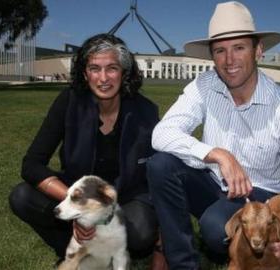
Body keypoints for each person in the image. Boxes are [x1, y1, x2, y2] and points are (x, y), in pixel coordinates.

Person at [146, 1, 280, 269]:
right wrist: (218, 154)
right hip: (214, 181)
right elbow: (161, 133)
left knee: (216, 230)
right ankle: (182, 263)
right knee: (160, 165)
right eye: (220, 51)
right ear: (212, 56)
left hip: (262, 197)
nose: (229, 61)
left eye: (239, 48)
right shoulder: (203, 85)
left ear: (258, 50)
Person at [9, 33, 166, 268]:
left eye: (112, 68)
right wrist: (78, 206)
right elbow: (32, 164)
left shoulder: (146, 112)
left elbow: (164, 177)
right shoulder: (69, 102)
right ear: (85, 73)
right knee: (22, 197)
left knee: (141, 232)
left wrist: (161, 247)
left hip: (126, 199)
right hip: (79, 192)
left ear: (124, 72)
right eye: (95, 68)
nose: (103, 78)